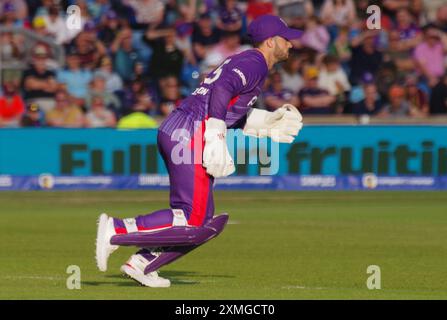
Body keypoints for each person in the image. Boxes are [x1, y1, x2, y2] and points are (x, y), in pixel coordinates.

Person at [95, 14, 303, 287]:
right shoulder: (254, 62)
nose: (291, 44)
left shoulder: (250, 63)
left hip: (184, 128)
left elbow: (227, 105)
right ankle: (116, 229)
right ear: (270, 41)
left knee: (202, 221)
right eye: (286, 39)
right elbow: (222, 88)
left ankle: (142, 263)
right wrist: (216, 134)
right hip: (190, 131)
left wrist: (265, 122)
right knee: (193, 219)